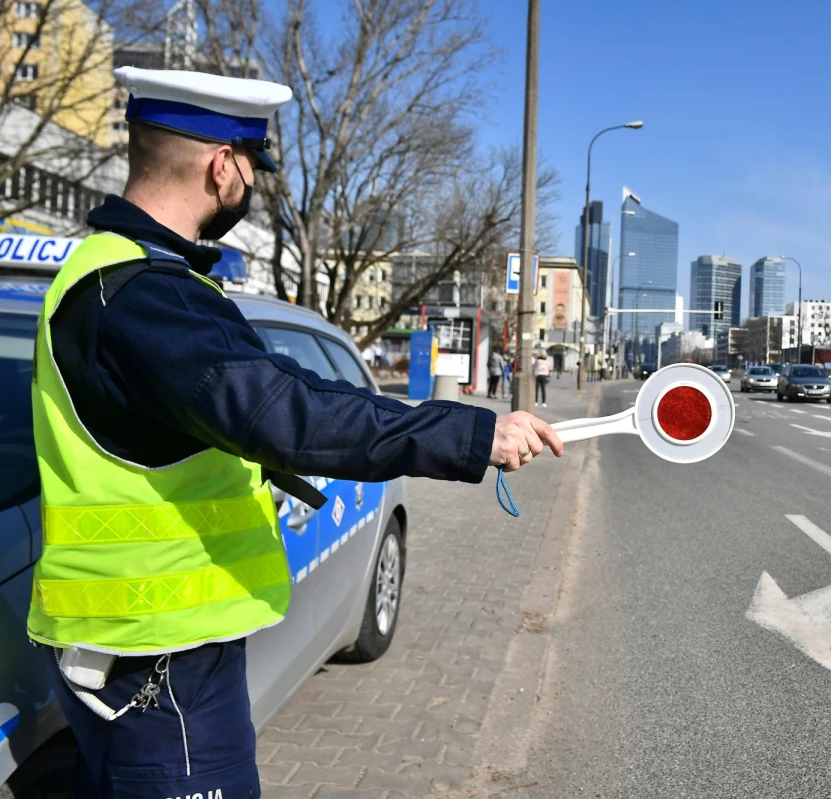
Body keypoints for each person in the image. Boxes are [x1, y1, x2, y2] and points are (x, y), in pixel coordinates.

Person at [28, 67, 563, 799]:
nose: (252, 182)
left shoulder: (115, 275)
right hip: (159, 666)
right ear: (222, 166)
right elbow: (288, 411)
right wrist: (475, 437)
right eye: (253, 166)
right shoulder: (145, 298)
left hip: (137, 655)